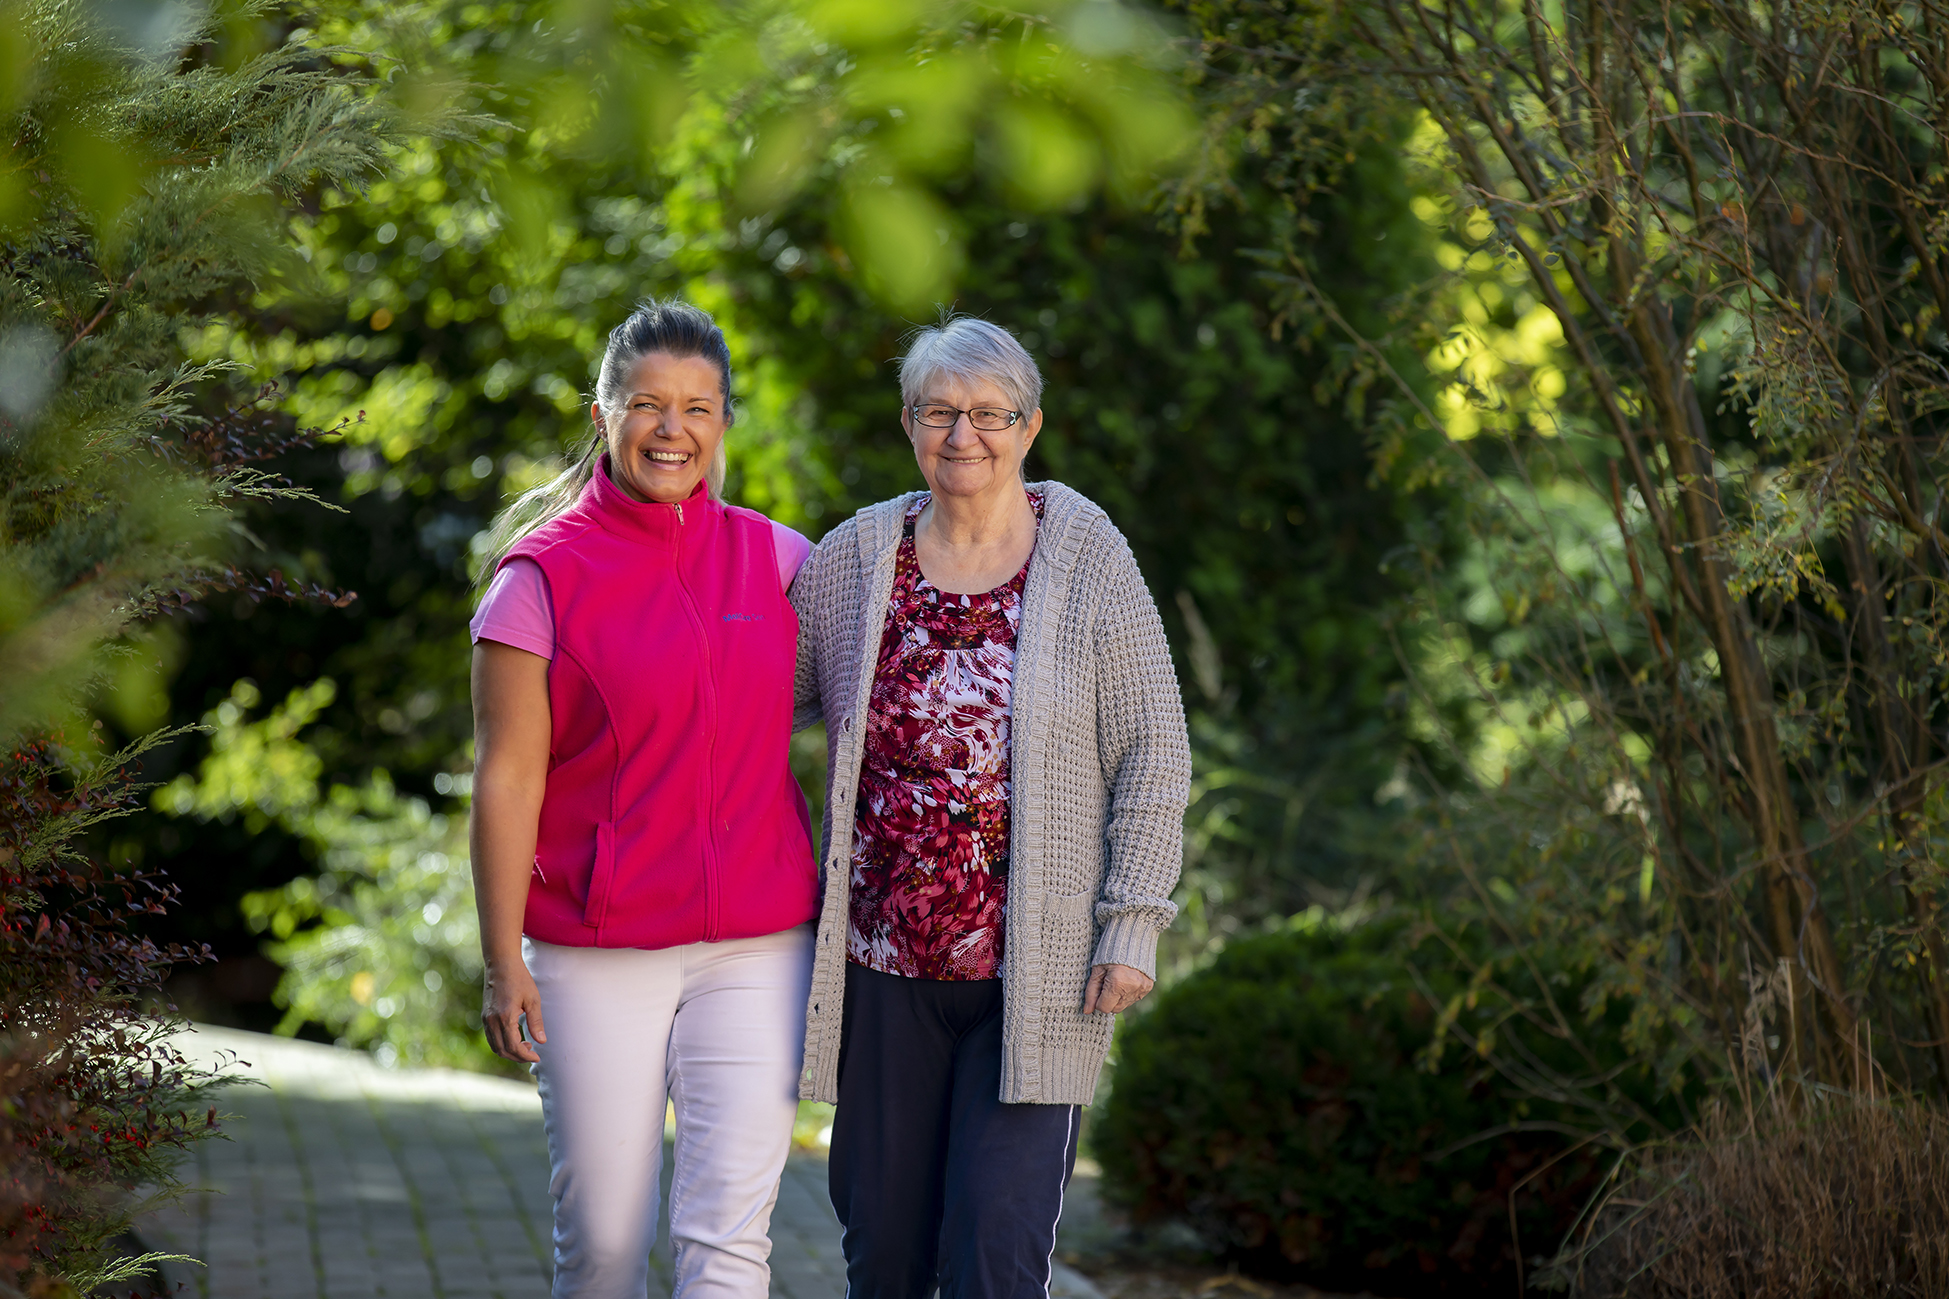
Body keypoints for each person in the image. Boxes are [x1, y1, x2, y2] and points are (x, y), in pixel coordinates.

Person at [789, 314, 1191, 1299]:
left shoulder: (1087, 557)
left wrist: (1131, 924)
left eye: (988, 414)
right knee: (883, 1255)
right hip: (880, 968)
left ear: (1029, 426)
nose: (961, 434)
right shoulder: (853, 559)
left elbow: (1153, 748)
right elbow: (749, 708)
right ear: (907, 423)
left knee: (996, 1256)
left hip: (1037, 976)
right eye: (938, 412)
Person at [468, 299, 818, 1299]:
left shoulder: (780, 561)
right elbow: (507, 781)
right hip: (595, 952)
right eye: (647, 405)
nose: (673, 430)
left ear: (724, 421)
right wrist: (502, 962)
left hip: (757, 948)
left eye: (698, 407)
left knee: (729, 1243)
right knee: (606, 1248)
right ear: (603, 414)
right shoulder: (537, 580)